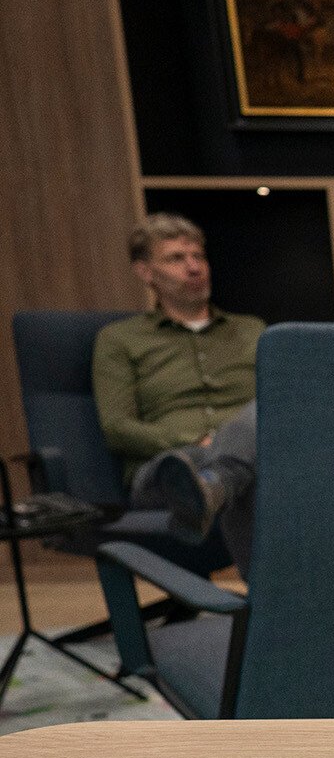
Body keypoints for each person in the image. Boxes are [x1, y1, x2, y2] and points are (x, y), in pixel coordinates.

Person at [93, 214, 263, 572]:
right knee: (238, 468)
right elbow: (117, 427)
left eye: (198, 257)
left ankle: (215, 484)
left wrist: (225, 442)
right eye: (175, 258)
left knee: (265, 410)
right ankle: (265, 608)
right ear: (145, 272)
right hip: (170, 467)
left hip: (252, 455)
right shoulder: (119, 339)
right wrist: (198, 440)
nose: (193, 267)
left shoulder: (252, 331)